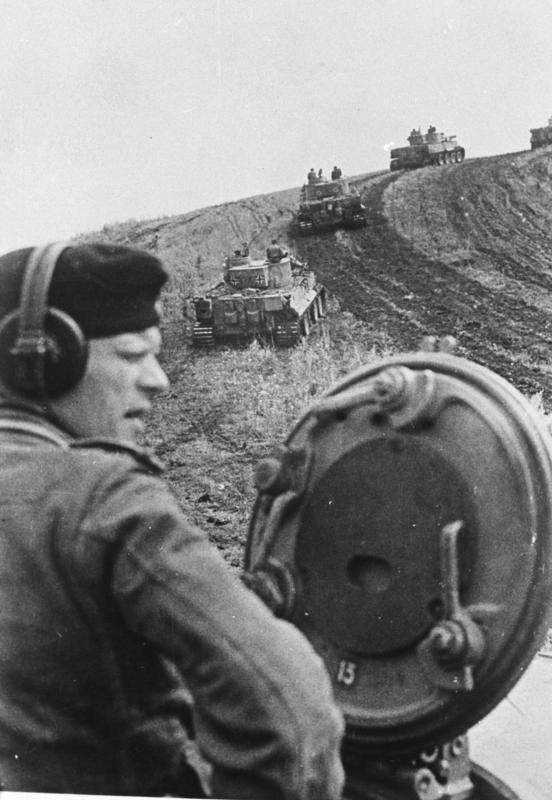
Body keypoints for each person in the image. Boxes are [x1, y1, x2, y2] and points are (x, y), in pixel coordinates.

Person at [0, 241, 345, 798]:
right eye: (134, 356)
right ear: (45, 358)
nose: (159, 380)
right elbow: (289, 708)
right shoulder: (103, 499)